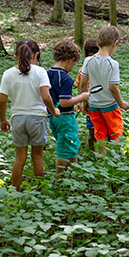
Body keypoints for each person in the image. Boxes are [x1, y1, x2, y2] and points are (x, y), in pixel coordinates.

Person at [0, 39, 60, 191]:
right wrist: (54, 111)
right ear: (36, 55)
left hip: (17, 118)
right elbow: (46, 97)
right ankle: (39, 189)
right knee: (37, 156)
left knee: (20, 157)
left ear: (16, 56)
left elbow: (2, 100)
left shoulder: (8, 74)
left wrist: (3, 119)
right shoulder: (40, 72)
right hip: (37, 118)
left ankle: (15, 189)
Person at [79, 26, 129, 156]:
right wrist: (121, 103)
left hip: (94, 105)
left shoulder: (88, 60)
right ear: (115, 43)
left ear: (98, 43)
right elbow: (113, 87)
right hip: (110, 106)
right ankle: (115, 159)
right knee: (115, 132)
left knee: (99, 133)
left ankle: (101, 158)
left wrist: (83, 101)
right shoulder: (113, 64)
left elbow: (83, 83)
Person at [47, 41, 89, 174]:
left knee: (68, 144)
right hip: (65, 118)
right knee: (64, 149)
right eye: (74, 63)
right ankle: (59, 179)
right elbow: (64, 101)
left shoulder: (47, 74)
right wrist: (82, 97)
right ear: (71, 60)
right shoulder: (65, 78)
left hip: (52, 116)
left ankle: (74, 173)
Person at [74, 39, 99, 152]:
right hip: (89, 103)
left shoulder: (102, 68)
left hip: (100, 102)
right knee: (92, 129)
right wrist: (79, 102)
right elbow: (80, 86)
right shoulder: (82, 70)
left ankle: (100, 150)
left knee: (101, 129)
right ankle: (93, 150)